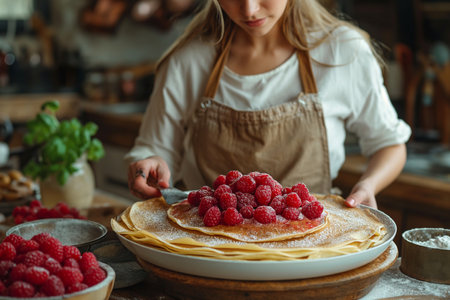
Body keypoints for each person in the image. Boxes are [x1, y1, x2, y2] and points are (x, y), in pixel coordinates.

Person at [126, 0, 411, 209]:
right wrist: (149, 165)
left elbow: (389, 143)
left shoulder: (342, 51)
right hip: (208, 249)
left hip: (313, 245)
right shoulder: (188, 61)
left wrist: (367, 185)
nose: (249, 9)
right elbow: (155, 148)